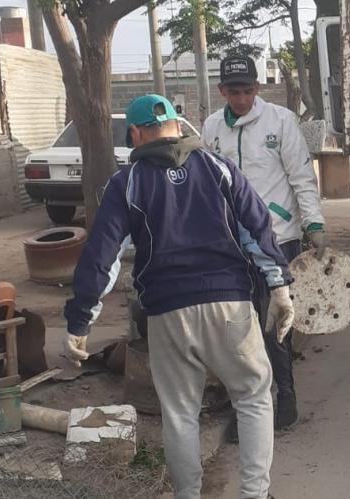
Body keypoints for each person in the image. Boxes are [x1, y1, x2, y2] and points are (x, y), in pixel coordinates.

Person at [63, 94, 292, 499]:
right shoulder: (219, 168)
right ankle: (254, 495)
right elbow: (258, 228)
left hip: (168, 312)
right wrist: (279, 286)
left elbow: (102, 256)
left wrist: (81, 319)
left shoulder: (126, 183)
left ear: (135, 134)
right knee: (253, 397)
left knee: (181, 413)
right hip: (231, 305)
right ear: (176, 125)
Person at [202, 55, 326, 433]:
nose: (241, 98)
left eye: (248, 90)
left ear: (258, 88)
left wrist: (314, 222)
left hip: (277, 238)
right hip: (231, 243)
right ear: (222, 91)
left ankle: (285, 396)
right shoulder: (211, 128)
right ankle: (249, 409)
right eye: (233, 91)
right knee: (239, 327)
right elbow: (206, 185)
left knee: (277, 323)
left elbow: (301, 175)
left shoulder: (281, 121)